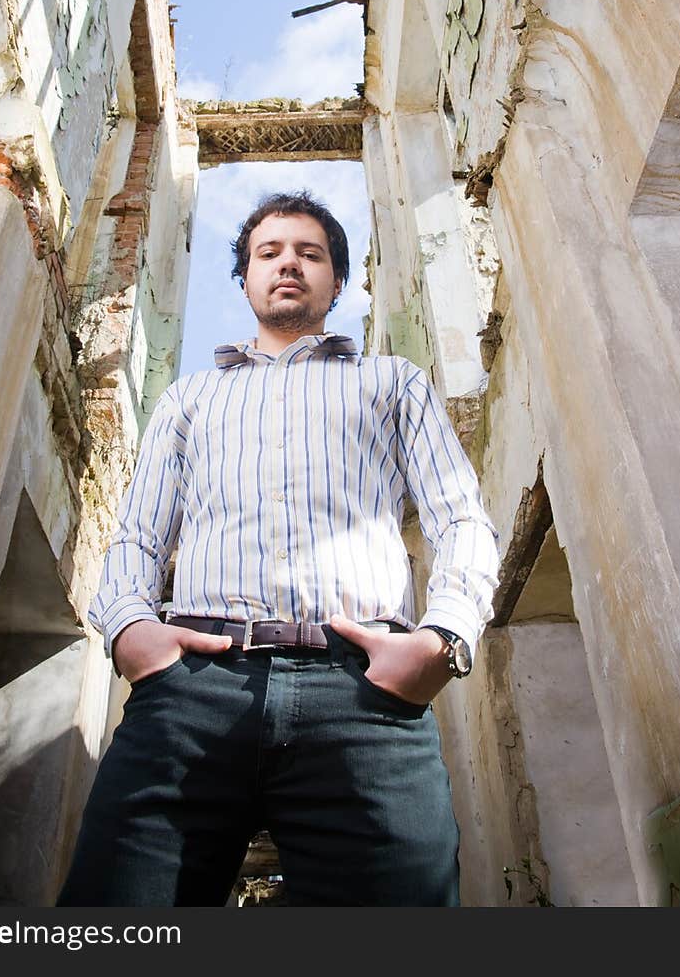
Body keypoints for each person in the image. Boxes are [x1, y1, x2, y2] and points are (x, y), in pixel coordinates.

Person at [58, 189, 499, 907]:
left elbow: (461, 520)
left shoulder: (392, 382)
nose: (289, 263)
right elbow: (138, 536)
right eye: (270, 252)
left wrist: (443, 640)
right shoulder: (189, 399)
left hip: (363, 694)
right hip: (195, 691)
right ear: (245, 279)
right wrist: (133, 633)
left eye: (310, 252)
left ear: (337, 280)